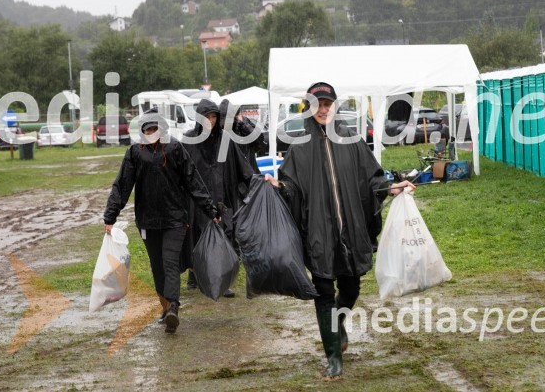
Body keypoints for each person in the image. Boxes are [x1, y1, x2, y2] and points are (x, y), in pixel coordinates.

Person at [266, 82, 414, 379]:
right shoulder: (300, 146)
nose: (324, 109)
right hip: (318, 232)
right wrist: (280, 187)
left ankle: (339, 321)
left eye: (328, 103)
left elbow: (371, 179)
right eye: (318, 104)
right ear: (309, 107)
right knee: (323, 291)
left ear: (335, 106)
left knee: (351, 286)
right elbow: (292, 187)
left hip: (350, 231)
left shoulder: (351, 139)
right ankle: (333, 356)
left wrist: (391, 186)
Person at [103, 107, 221, 334]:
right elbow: (122, 185)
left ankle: (173, 308)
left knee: (169, 262)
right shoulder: (135, 153)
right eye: (148, 129)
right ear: (142, 131)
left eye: (155, 128)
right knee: (157, 266)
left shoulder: (175, 148)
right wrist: (111, 215)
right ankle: (165, 307)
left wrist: (211, 209)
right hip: (148, 221)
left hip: (175, 218)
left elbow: (193, 181)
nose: (152, 133)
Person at [184, 99, 255, 296]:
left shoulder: (225, 140)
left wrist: (258, 183)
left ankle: (221, 281)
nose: (211, 121)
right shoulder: (189, 142)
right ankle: (195, 275)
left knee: (223, 238)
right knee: (198, 238)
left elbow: (243, 169)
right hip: (196, 202)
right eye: (207, 117)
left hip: (221, 199)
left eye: (214, 116)